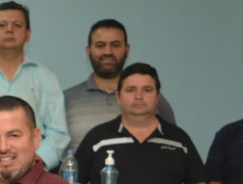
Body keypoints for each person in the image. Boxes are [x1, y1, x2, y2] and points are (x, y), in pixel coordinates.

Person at [74, 63, 207, 184]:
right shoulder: (98, 138)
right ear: (118, 97)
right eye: (130, 90)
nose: (138, 96)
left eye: (147, 90)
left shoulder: (178, 140)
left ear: (158, 97)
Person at [0, 1, 69, 169]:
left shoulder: (45, 77)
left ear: (28, 34)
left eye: (17, 25)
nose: (9, 30)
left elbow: (58, 131)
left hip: (34, 169)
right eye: (2, 25)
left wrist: (38, 159)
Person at [62, 20, 176, 150]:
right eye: (100, 45)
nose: (108, 52)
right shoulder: (66, 100)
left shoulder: (149, 98)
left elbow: (173, 144)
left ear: (127, 50)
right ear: (88, 51)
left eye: (115, 45)